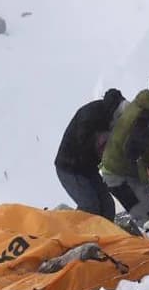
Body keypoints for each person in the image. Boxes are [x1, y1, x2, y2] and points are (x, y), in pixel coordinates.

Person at [100, 76, 149, 227]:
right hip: (118, 175)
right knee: (146, 217)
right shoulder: (146, 120)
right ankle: (146, 240)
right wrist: (147, 185)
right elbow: (134, 155)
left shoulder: (142, 105)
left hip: (117, 169)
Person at [54, 88, 126, 220]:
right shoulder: (89, 117)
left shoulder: (112, 120)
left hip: (89, 168)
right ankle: (72, 230)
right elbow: (85, 145)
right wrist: (103, 144)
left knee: (108, 205)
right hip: (70, 168)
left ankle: (105, 232)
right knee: (90, 205)